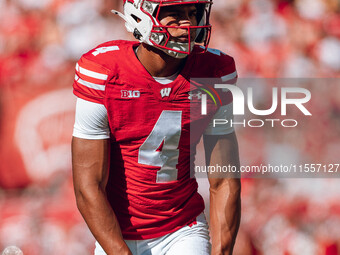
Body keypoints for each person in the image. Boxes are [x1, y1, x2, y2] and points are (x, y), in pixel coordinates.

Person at [71, 0, 241, 254]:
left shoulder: (214, 72)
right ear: (140, 17)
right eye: (174, 16)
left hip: (182, 229)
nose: (188, 25)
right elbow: (88, 186)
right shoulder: (104, 72)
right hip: (116, 232)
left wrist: (222, 251)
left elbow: (224, 177)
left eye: (192, 14)